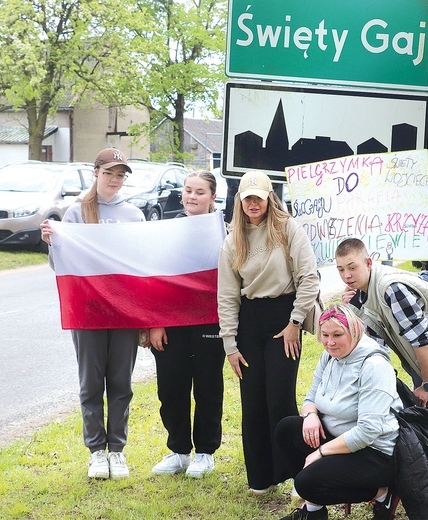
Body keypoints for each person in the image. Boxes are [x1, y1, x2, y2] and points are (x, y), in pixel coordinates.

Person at [40, 148, 145, 479]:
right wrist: (53, 243)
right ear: (95, 173)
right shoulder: (76, 213)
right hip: (88, 312)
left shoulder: (134, 215)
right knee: (90, 384)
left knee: (120, 383)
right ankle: (96, 451)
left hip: (124, 312)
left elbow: (143, 266)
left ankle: (117, 450)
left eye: (120, 175)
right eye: (109, 173)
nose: (115, 180)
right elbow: (63, 266)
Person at [218, 170, 320, 494]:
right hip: (249, 319)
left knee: (279, 397)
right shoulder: (233, 238)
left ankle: (297, 473)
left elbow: (309, 278)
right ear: (240, 201)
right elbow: (227, 295)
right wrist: (229, 344)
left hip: (284, 315)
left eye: (258, 198)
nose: (252, 204)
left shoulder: (288, 229)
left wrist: (296, 323)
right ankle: (260, 477)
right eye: (247, 198)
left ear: (268, 198)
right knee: (253, 400)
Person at [335, 238, 428, 419]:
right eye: (341, 269)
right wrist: (352, 309)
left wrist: (427, 385)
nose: (347, 276)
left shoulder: (392, 289)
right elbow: (375, 342)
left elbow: (421, 340)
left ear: (368, 263)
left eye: (352, 267)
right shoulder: (364, 290)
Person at [275, 304, 401, 520]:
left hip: (374, 453)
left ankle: (382, 493)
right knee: (287, 428)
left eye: (337, 335)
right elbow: (309, 399)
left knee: (306, 482)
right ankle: (314, 511)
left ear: (355, 331)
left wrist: (320, 453)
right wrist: (311, 416)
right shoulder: (330, 356)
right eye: (324, 335)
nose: (330, 342)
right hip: (340, 438)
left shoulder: (374, 365)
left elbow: (368, 431)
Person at [149, 171, 225, 479]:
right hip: (171, 324)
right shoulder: (168, 230)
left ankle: (205, 452)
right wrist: (154, 322)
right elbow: (152, 278)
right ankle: (178, 451)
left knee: (207, 386)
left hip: (210, 321)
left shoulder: (225, 232)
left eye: (200, 192)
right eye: (188, 190)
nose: (192, 196)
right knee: (171, 387)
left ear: (212, 197)